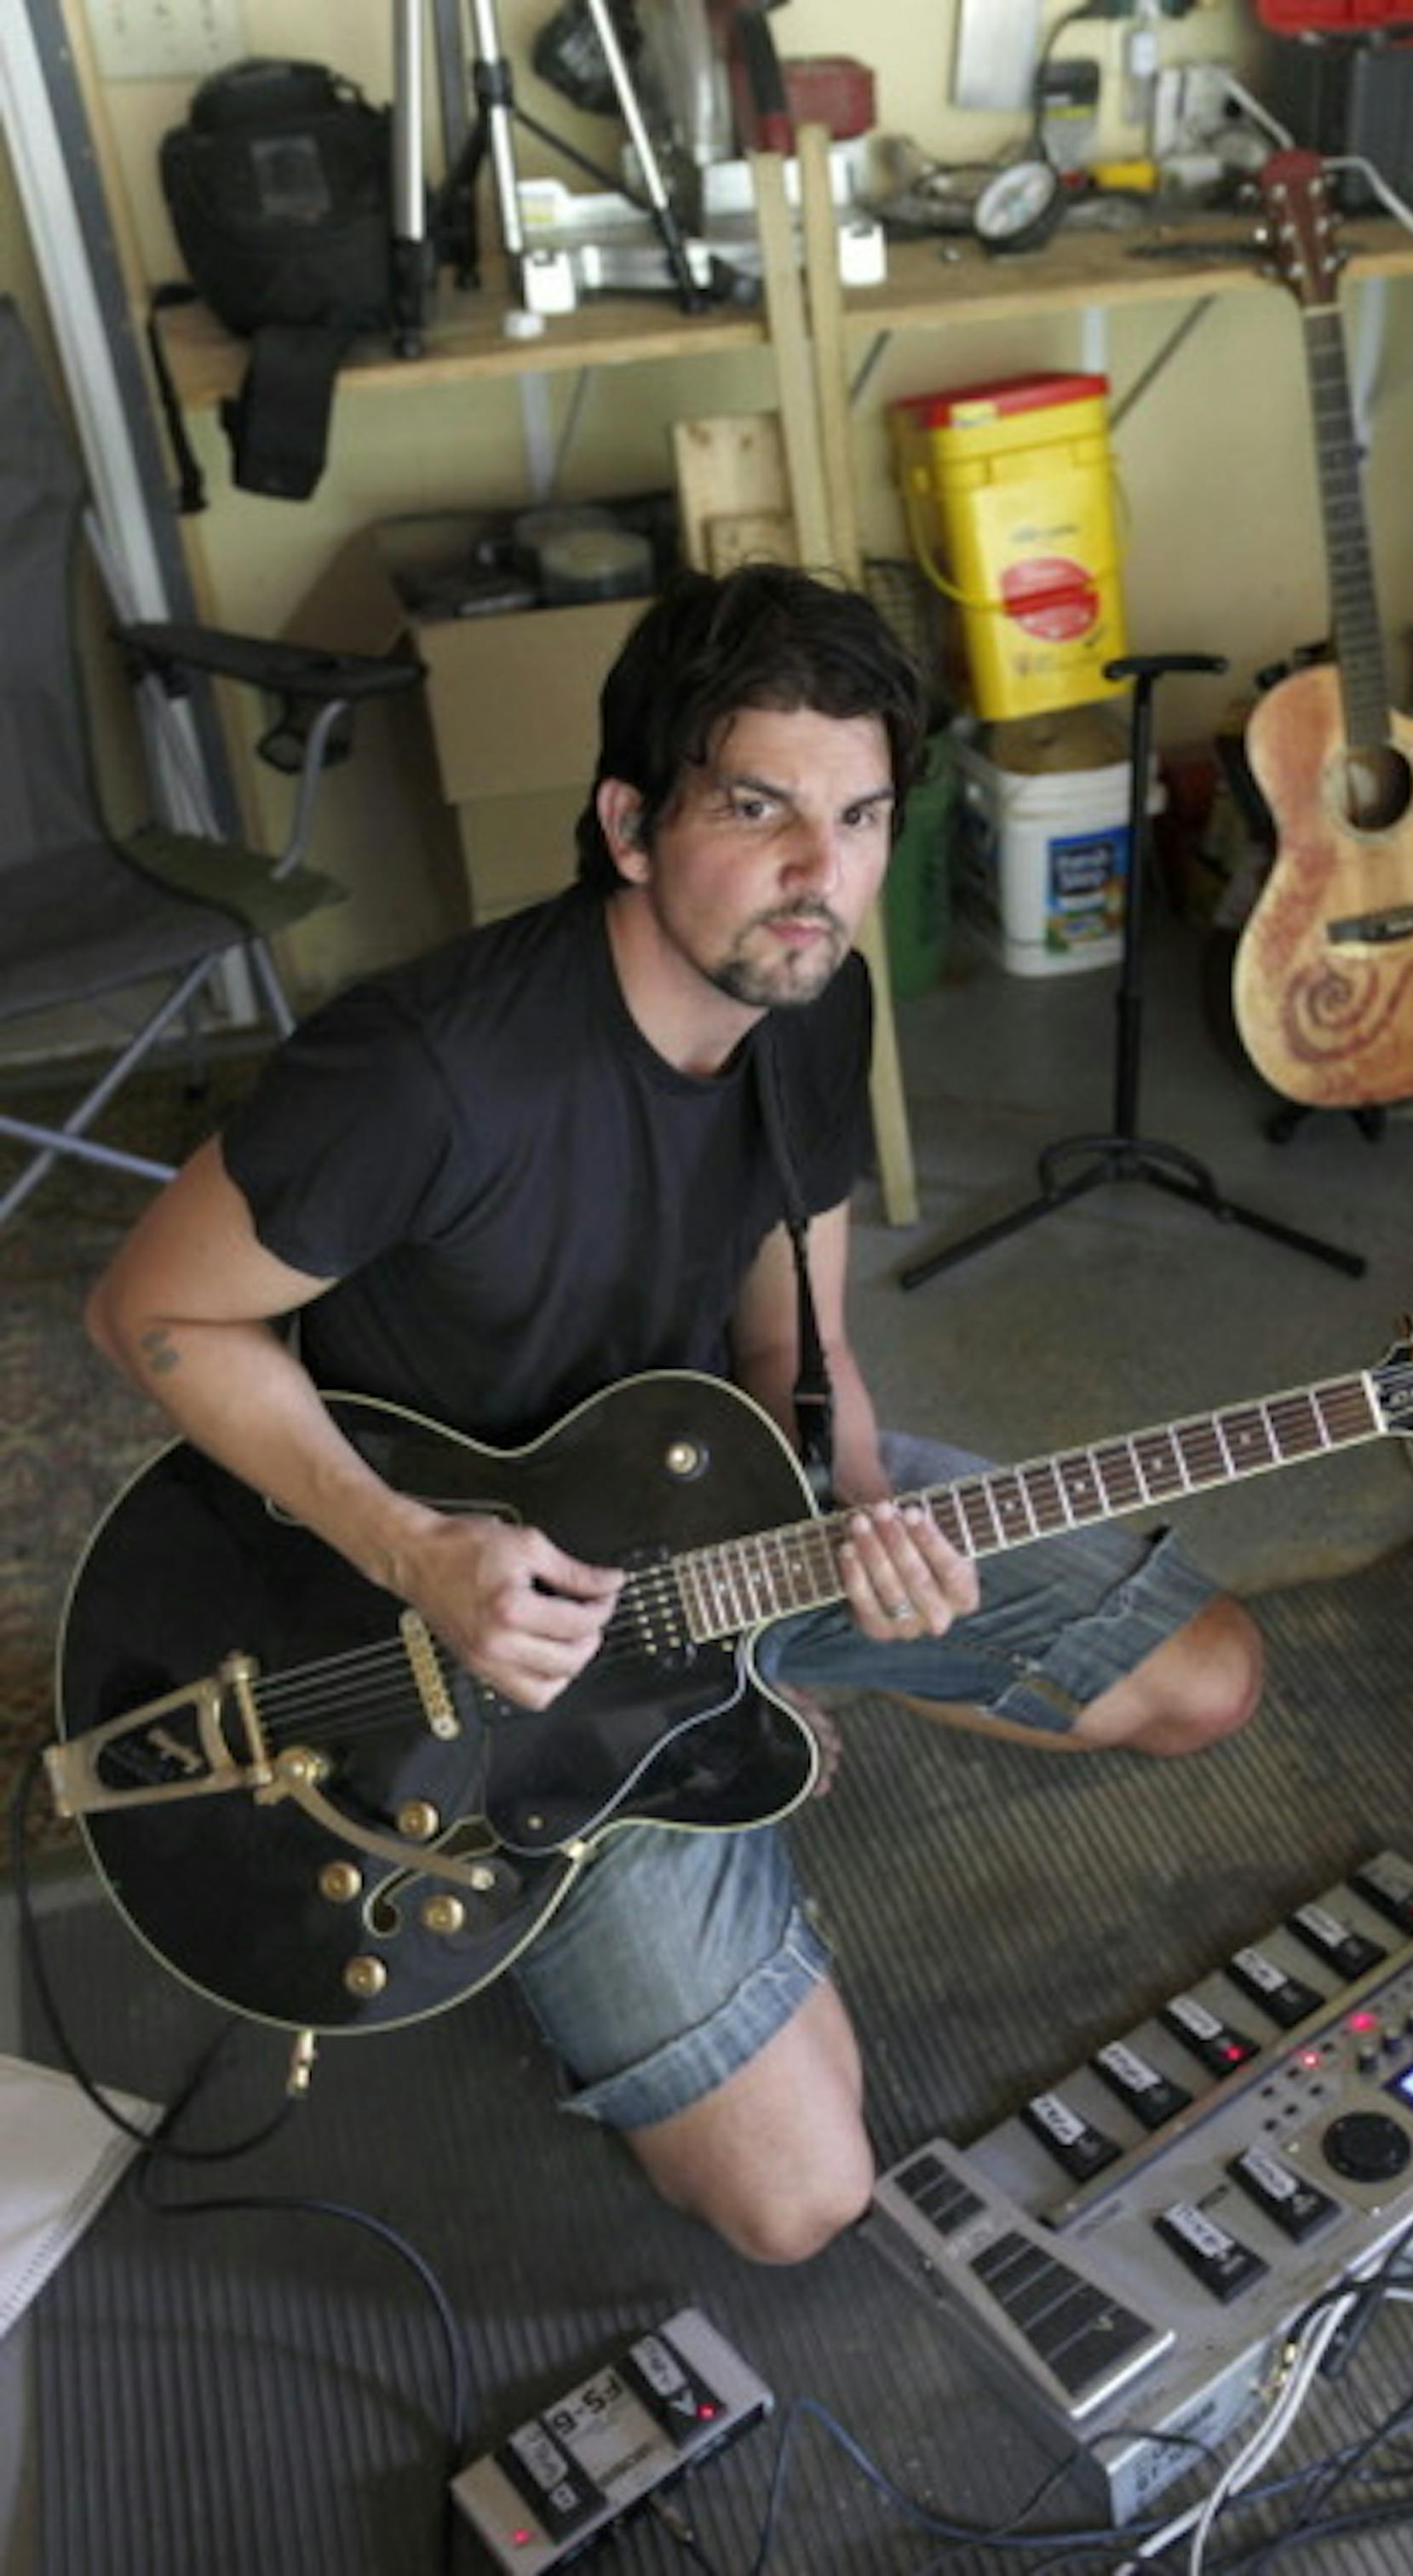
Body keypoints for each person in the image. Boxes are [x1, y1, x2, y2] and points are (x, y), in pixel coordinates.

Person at [85, 563, 1262, 2265]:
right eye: (758, 809)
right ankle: (609, 1844)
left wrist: (866, 1509)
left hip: (717, 1520)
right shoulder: (427, 1070)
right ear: (629, 825)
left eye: (860, 816)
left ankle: (758, 1701)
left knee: (1206, 1681)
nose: (820, 876)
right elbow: (149, 1311)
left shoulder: (812, 994)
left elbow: (802, 1344)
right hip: (460, 1654)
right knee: (801, 2203)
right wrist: (413, 1550)